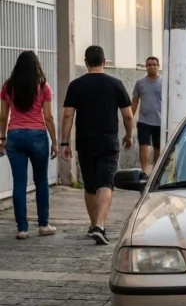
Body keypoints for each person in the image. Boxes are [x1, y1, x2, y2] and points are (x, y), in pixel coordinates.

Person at [60, 45, 133, 245]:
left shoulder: (76, 85)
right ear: (104, 61)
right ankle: (99, 226)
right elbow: (128, 115)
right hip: (108, 141)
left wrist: (64, 142)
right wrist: (129, 135)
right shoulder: (116, 84)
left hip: (85, 142)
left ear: (85, 63)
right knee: (106, 183)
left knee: (90, 186)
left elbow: (68, 115)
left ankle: (94, 225)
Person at [0, 51, 59, 240]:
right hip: (37, 136)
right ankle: (43, 225)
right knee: (41, 180)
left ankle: (22, 229)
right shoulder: (43, 86)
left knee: (19, 182)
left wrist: (2, 139)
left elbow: (2, 116)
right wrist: (55, 142)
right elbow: (48, 117)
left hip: (15, 136)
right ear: (36, 66)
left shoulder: (8, 87)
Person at [131, 56, 162, 177]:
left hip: (159, 121)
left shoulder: (163, 82)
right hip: (144, 120)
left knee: (158, 148)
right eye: (149, 64)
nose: (152, 67)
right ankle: (144, 171)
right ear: (146, 66)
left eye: (154, 64)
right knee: (144, 145)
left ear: (158, 66)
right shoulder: (140, 83)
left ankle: (155, 171)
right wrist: (130, 118)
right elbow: (134, 102)